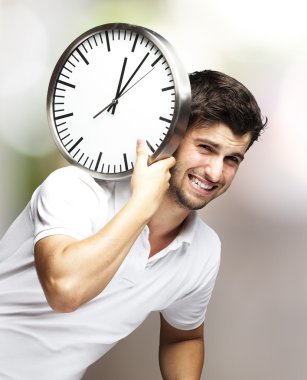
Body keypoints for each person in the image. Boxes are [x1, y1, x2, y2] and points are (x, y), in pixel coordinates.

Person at [0, 70, 266, 379]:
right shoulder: (75, 188)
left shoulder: (203, 250)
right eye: (205, 148)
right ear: (169, 137)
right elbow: (64, 291)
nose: (216, 172)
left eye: (232, 159)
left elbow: (184, 337)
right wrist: (141, 206)